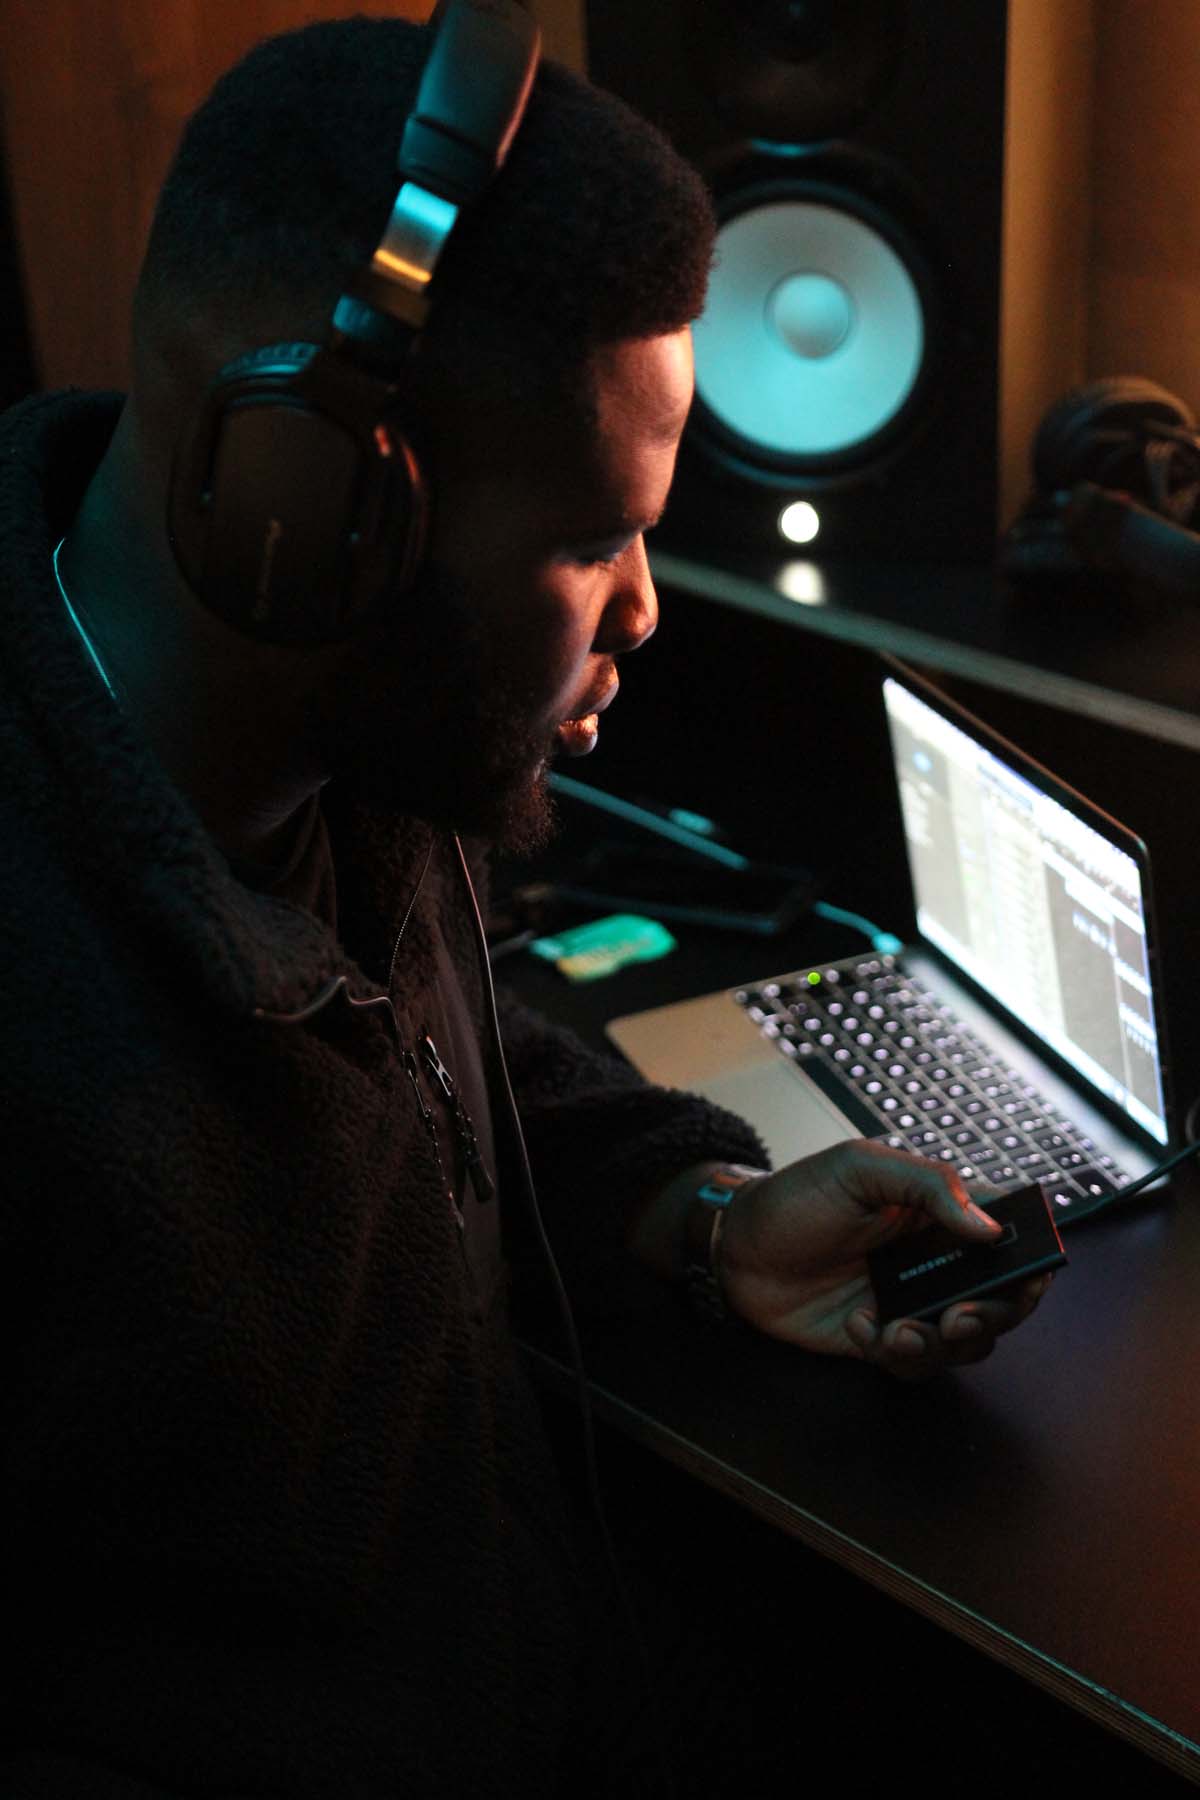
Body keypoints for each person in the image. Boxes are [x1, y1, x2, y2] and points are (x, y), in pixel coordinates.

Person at [0, 8, 1051, 1795]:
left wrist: (703, 1220)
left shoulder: (336, 737)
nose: (643, 614)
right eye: (594, 541)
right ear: (316, 506)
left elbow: (438, 1063)